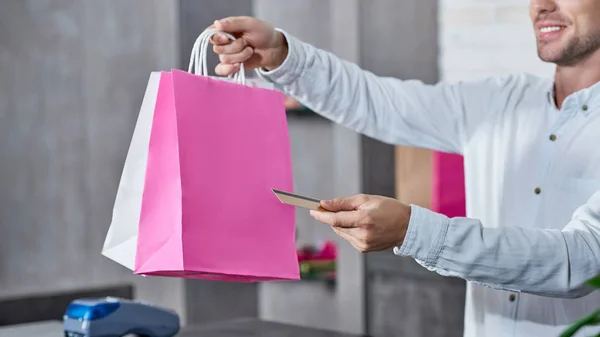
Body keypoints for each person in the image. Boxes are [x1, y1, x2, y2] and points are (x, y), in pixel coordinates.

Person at [208, 0, 600, 335]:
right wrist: (283, 55)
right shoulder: (499, 101)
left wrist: (414, 231)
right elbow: (379, 102)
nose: (541, 5)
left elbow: (582, 260)